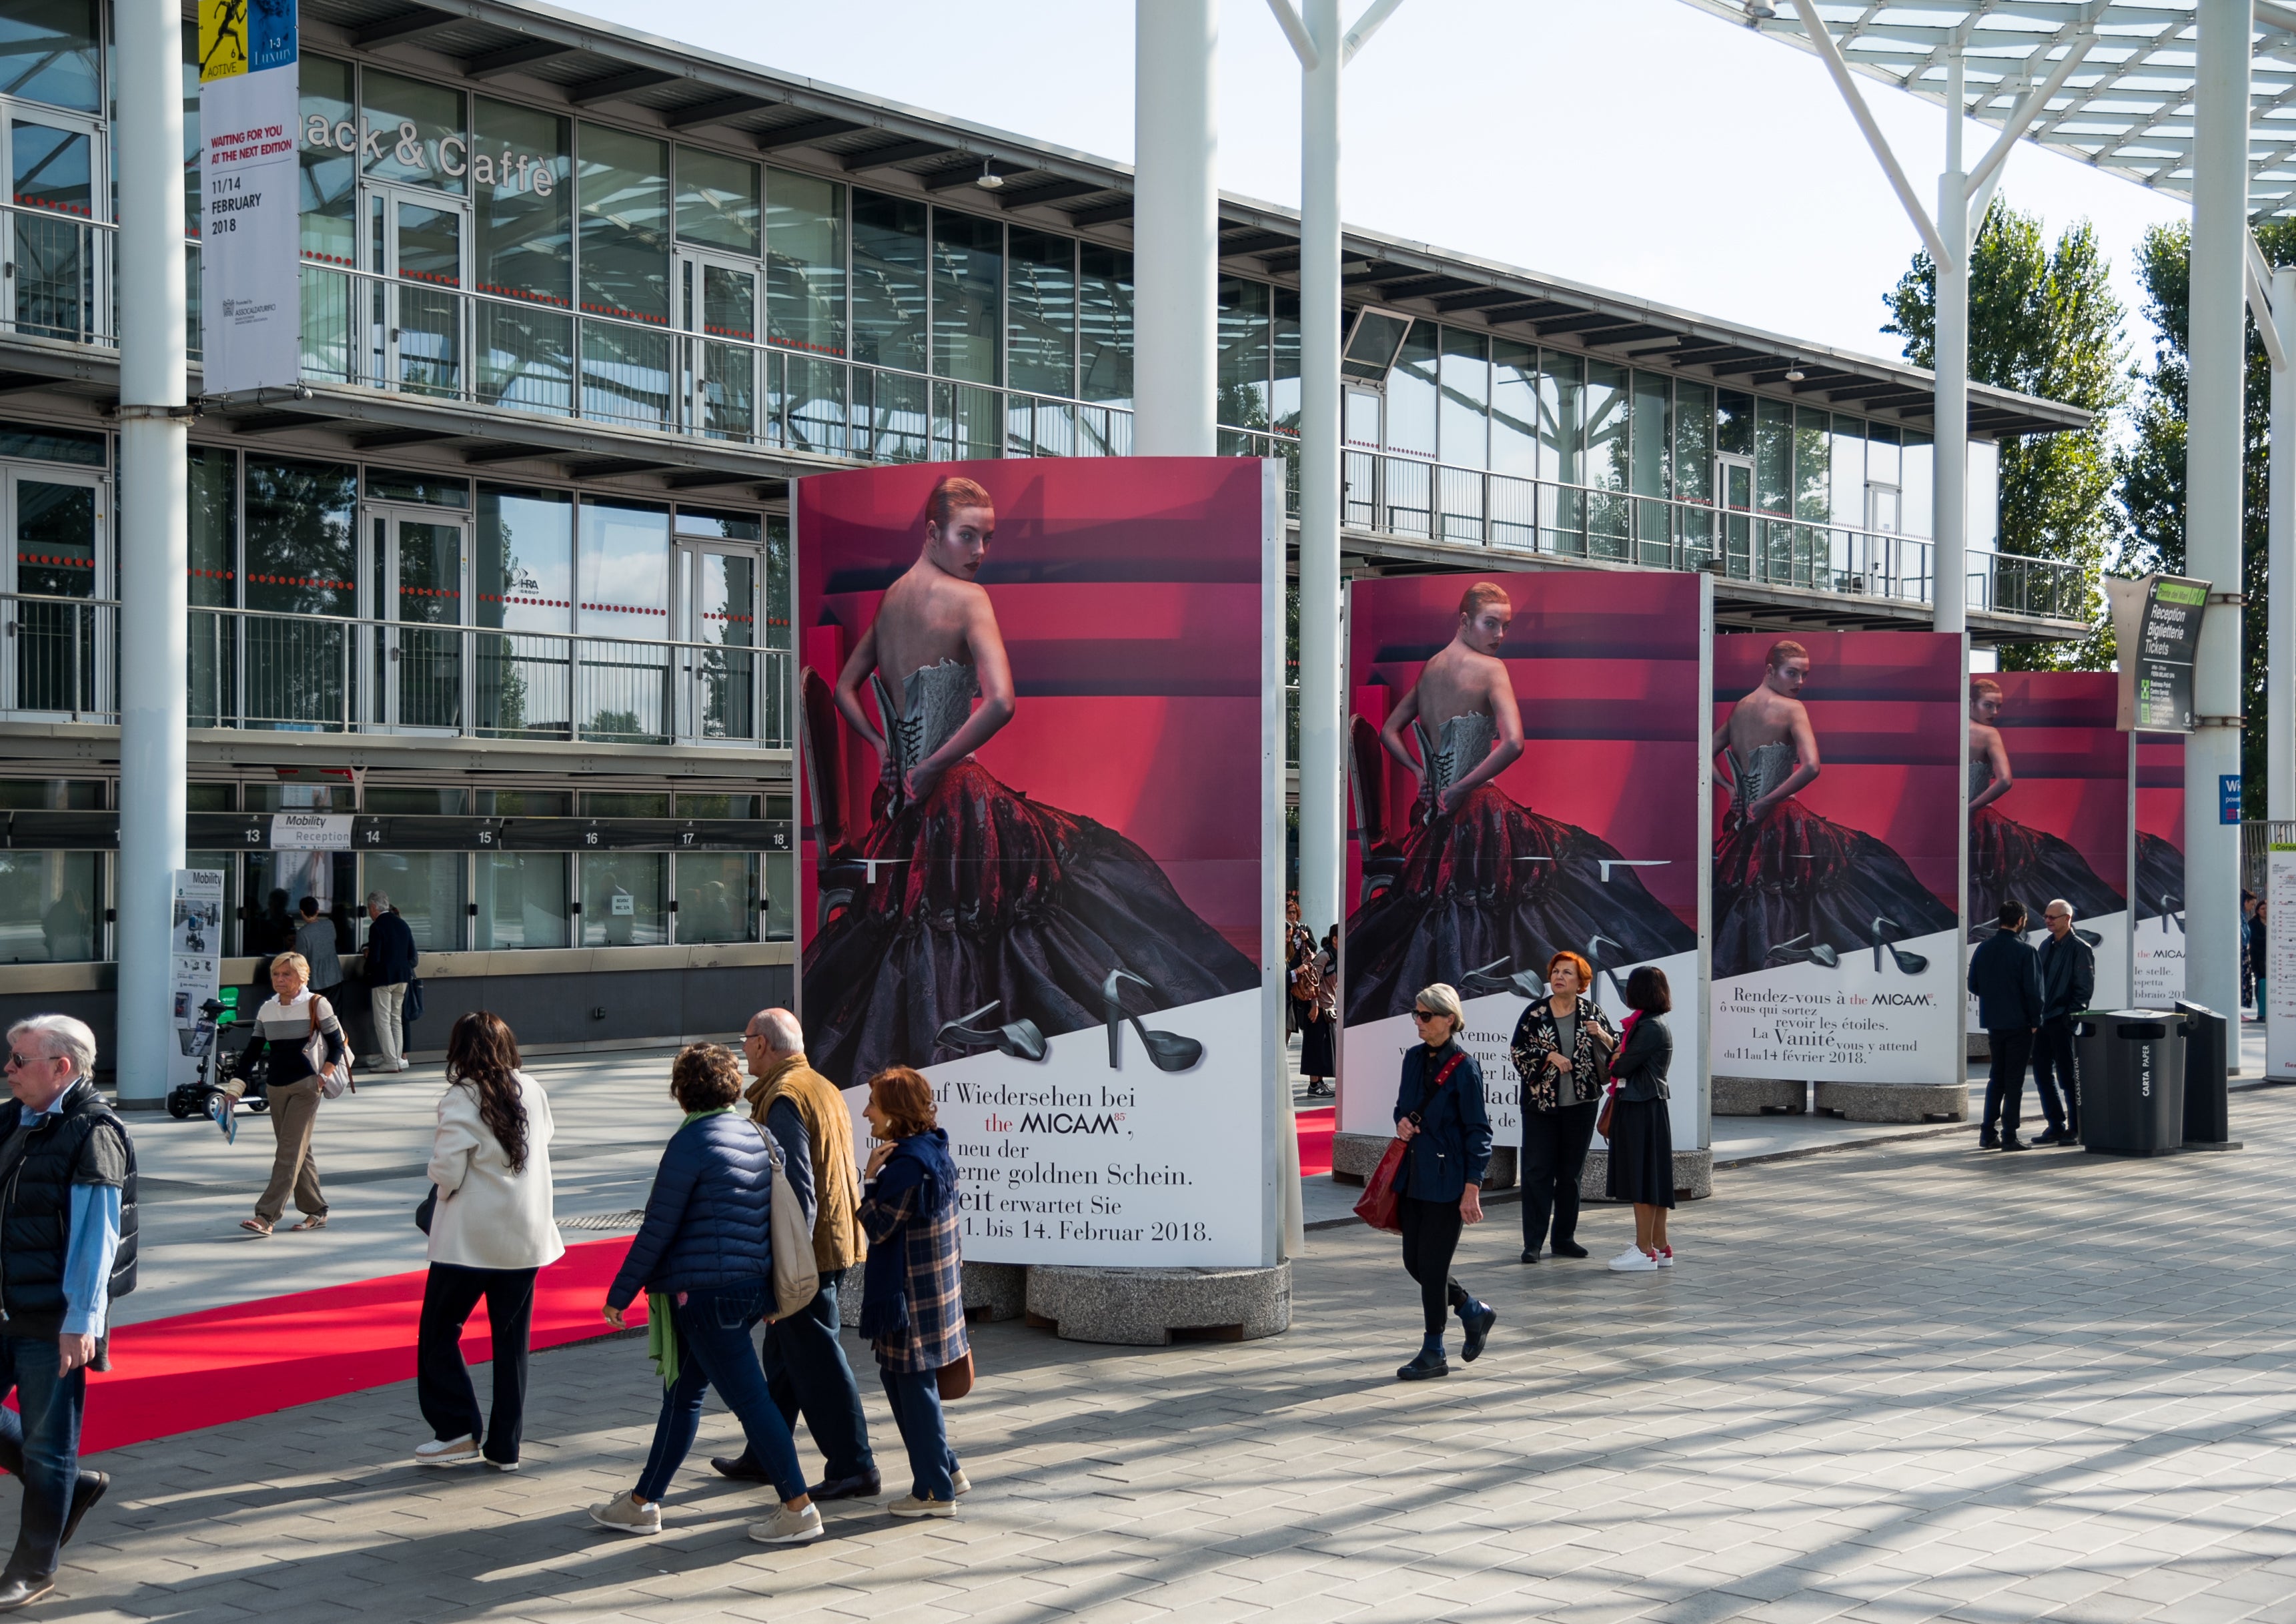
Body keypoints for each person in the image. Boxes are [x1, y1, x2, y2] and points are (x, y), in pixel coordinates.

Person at [803, 475, 1256, 1086]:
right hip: (950, 795)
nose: (980, 552)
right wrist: (934, 765)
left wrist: (887, 747)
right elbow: (1002, 703)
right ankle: (1077, 1039)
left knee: (946, 921)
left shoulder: (891, 600)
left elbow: (841, 690)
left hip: (901, 810)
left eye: (987, 538)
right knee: (1081, 871)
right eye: (969, 536)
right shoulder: (968, 601)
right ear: (933, 533)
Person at [1345, 582, 1693, 1025]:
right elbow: (1514, 743)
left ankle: (1477, 996)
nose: (1500, 635)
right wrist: (1458, 788)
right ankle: (1550, 978)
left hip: (1438, 819)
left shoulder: (1431, 669)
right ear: (1464, 620)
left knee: (1458, 903)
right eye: (1492, 623)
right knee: (1561, 873)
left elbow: (1389, 731)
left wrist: (1420, 774)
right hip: (1476, 808)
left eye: (1505, 625)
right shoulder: (1491, 670)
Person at [594, 1044, 820, 1545]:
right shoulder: (759, 1135)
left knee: (751, 1402)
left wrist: (621, 1292)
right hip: (749, 1292)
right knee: (683, 1396)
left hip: (706, 1296)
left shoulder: (691, 1143)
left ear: (682, 1092)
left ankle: (798, 1507)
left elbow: (658, 1228)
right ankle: (642, 1502)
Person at [710, 1008, 878, 1501]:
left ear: (762, 1044)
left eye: (745, 1041)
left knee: (817, 1359)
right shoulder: (816, 1084)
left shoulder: (784, 1097)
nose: (743, 1050)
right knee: (784, 1355)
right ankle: (765, 1452)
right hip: (833, 1242)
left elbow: (797, 1191)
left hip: (811, 1253)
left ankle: (854, 1465)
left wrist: (787, 1267)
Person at [1713, 640, 1956, 979]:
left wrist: (1729, 790)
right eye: (1792, 673)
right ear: (1769, 671)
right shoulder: (1792, 709)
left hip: (1745, 823)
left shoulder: (1740, 708)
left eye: (1805, 675)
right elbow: (1812, 767)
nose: (1799, 682)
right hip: (1781, 818)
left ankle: (1776, 969)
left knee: (1764, 893)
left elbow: (1703, 753)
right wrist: (1767, 801)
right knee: (1843, 878)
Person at [0, 1015, 133, 1611]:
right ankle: (67, 1489)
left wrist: (83, 1319)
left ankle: (34, 1567)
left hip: (50, 1317)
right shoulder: (13, 1120)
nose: (7, 1069)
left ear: (63, 1068)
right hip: (4, 1305)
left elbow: (95, 1240)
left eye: (18, 1060)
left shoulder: (92, 1131)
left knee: (49, 1447)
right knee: (43, 1456)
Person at [413, 1013, 563, 1471]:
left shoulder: (461, 1096)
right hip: (526, 1237)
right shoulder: (532, 1088)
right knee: (511, 1343)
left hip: (469, 1242)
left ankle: (457, 1429)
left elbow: (448, 1171)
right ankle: (505, 1448)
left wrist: (437, 1189)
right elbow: (545, 1139)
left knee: (440, 1331)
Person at [856, 1066, 972, 1516]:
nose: (866, 1113)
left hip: (910, 1297)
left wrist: (866, 1181)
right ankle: (948, 1470)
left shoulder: (905, 1166)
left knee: (912, 1383)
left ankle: (934, 1493)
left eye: (874, 1105)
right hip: (932, 1289)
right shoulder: (933, 1150)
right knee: (897, 1378)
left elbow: (880, 1228)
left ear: (894, 1112)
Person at [1387, 983, 1496, 1382]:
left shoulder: (1465, 1067)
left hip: (1448, 1180)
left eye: (1426, 1015)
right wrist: (1400, 1121)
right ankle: (1472, 1310)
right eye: (1415, 1014)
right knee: (1413, 1262)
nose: (1418, 1021)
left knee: (1432, 1268)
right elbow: (1403, 1106)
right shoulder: (1413, 1059)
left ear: (1449, 1019)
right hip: (1413, 1175)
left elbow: (1478, 1130)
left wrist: (1473, 1186)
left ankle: (1434, 1350)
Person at [1966, 680, 2123, 938]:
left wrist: (1961, 809)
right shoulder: (1988, 734)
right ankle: (2055, 929)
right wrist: (1971, 807)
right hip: (1981, 821)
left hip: (1960, 824)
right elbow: (2006, 780)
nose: (1994, 713)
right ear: (1971, 703)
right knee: (2037, 866)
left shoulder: (1951, 731)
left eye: (1998, 707)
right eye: (1988, 705)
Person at [1508, 950, 1616, 1264]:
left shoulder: (1591, 1012)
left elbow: (1617, 1050)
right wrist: (1548, 1057)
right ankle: (1533, 1243)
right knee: (1536, 1173)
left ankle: (1564, 1239)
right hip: (1540, 1106)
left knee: (1570, 1175)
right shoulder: (1535, 1013)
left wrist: (1604, 1035)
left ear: (1581, 982)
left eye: (1567, 973)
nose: (1559, 977)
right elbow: (1518, 1052)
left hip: (1581, 1105)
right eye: (1556, 972)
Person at [233, 951, 345, 1236]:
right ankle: (317, 1210)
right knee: (298, 1150)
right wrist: (235, 1087)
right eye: (276, 974)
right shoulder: (268, 1009)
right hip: (276, 1088)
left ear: (303, 977)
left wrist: (323, 1077)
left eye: (287, 974)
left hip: (307, 1087)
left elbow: (336, 1045)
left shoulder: (317, 1004)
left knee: (287, 1153)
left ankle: (266, 1216)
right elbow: (252, 1052)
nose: (280, 980)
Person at [1603, 966, 1678, 1271]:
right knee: (1653, 1178)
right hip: (1649, 1105)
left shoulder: (1648, 1028)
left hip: (1640, 1105)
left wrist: (1617, 1057)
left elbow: (1620, 1067)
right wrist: (1620, 1057)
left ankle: (1644, 1250)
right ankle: (1660, 1246)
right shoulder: (1652, 1024)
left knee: (1642, 1178)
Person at [1968, 899, 2045, 1152]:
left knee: (1996, 1078)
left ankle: (1987, 1132)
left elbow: (1973, 986)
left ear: (2000, 920)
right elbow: (2035, 993)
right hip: (2020, 1024)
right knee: (2014, 1082)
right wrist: (2036, 1021)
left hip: (1994, 1022)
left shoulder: (1983, 948)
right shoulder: (2026, 951)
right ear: (2022, 921)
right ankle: (2010, 1135)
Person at [2033, 899, 2095, 1146]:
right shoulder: (2045, 945)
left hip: (2062, 1020)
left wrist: (2070, 1019)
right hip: (2043, 1020)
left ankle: (2077, 1127)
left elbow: (2084, 989)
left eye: (2052, 917)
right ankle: (2056, 1125)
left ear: (2067, 919)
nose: (2047, 920)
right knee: (2041, 1073)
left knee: (2068, 1076)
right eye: (2046, 916)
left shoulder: (2080, 948)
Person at [364, 892, 418, 1074]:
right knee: (396, 1019)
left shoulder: (377, 927)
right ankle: (395, 1057)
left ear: (373, 907)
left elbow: (375, 958)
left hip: (383, 978)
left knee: (383, 1021)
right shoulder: (402, 924)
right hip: (402, 978)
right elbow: (412, 954)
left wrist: (367, 965)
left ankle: (390, 1061)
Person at [1297, 927, 1337, 1097]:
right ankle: (1314, 1085)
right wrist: (1314, 1005)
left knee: (1324, 1048)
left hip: (1327, 1008)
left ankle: (1319, 1082)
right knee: (1315, 1046)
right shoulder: (1324, 956)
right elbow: (1312, 981)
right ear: (1335, 939)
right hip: (1317, 1008)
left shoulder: (1336, 955)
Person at [293, 896, 344, 1002]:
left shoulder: (303, 934)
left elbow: (302, 960)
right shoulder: (330, 925)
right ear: (317, 911)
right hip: (334, 977)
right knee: (335, 1014)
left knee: (317, 1014)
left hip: (315, 982)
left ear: (302, 912)